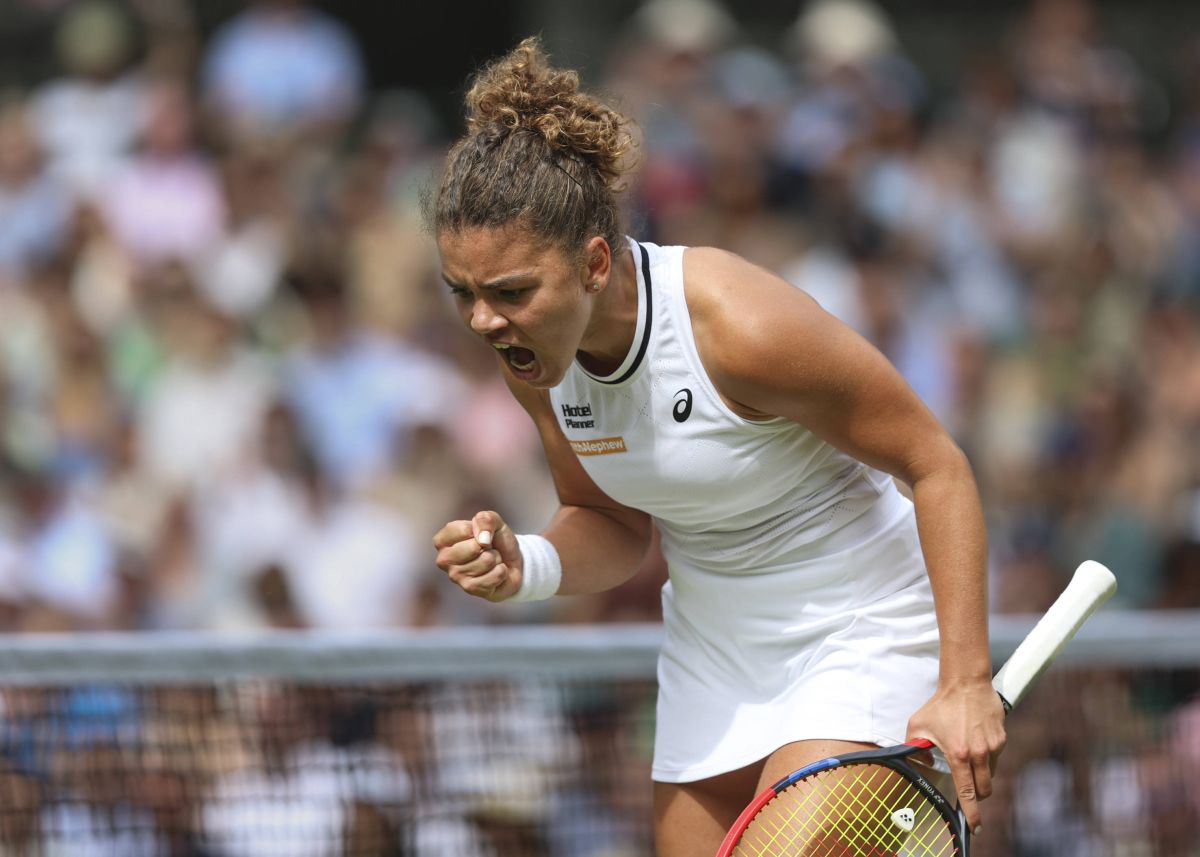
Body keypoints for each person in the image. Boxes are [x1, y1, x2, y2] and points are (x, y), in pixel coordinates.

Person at [430, 37, 1006, 856]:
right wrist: (529, 564)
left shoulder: (741, 325)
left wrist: (964, 681)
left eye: (512, 291)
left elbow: (936, 464)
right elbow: (610, 519)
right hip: (713, 655)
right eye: (465, 293)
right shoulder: (533, 360)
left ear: (594, 263)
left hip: (857, 629)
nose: (486, 320)